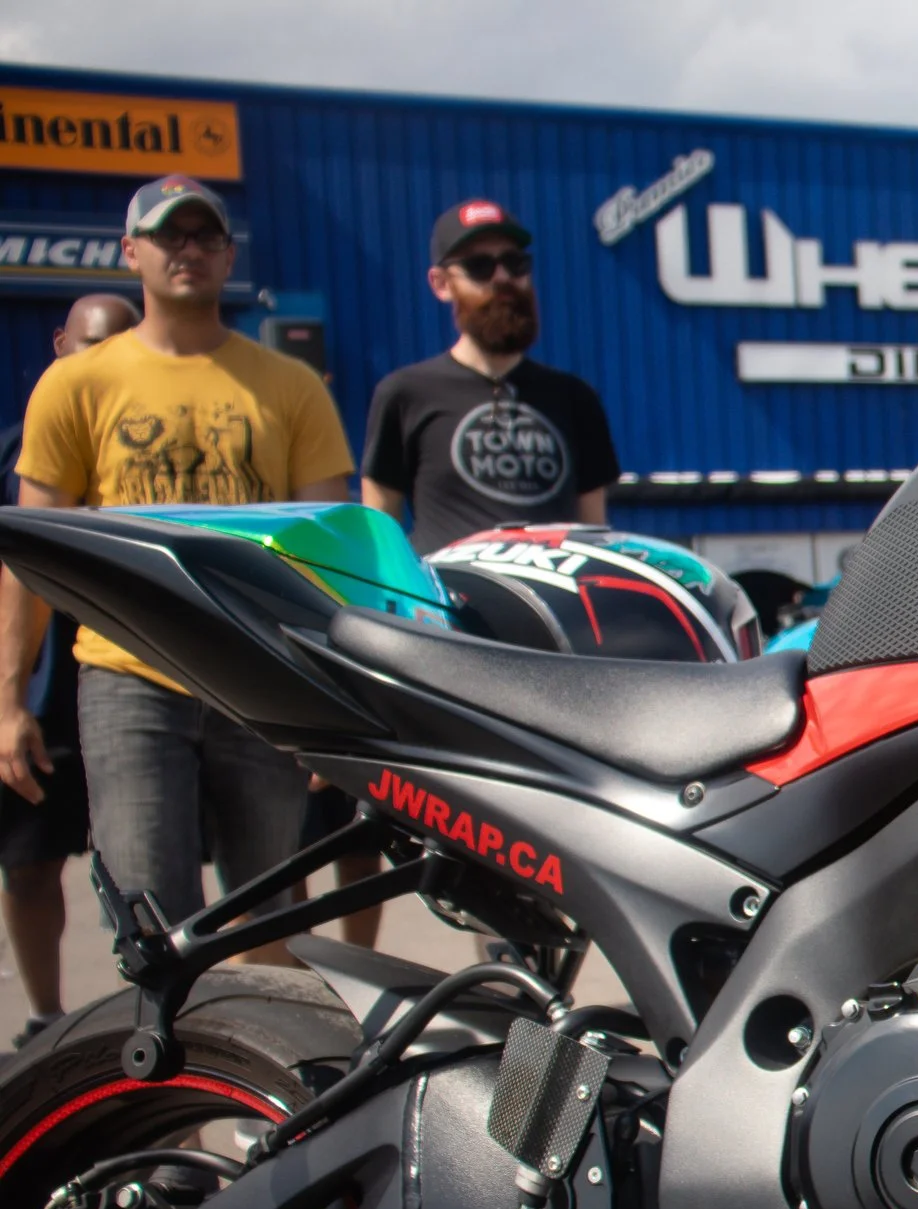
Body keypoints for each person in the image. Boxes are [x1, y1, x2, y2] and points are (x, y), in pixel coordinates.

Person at [0, 175, 353, 950]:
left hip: (257, 676)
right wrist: (9, 702)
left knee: (271, 914)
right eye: (168, 235)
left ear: (228, 255)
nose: (187, 249)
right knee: (153, 927)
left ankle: (264, 1033)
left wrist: (334, 703)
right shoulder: (76, 385)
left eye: (204, 235)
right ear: (132, 252)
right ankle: (170, 1036)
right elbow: (31, 557)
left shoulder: (290, 387)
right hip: (130, 677)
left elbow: (327, 558)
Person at [0, 292, 137, 1043]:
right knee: (29, 861)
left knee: (145, 873)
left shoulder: (146, 450)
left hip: (136, 687)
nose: (102, 363)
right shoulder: (15, 455)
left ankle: (157, 1018)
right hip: (46, 694)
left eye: (120, 346)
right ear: (59, 345)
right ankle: (45, 1021)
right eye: (90, 346)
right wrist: (7, 701)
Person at [361, 199, 620, 551]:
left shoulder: (574, 398)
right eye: (479, 267)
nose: (502, 278)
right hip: (448, 584)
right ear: (441, 284)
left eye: (515, 264)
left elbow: (595, 535)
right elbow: (379, 539)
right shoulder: (405, 393)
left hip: (551, 585)